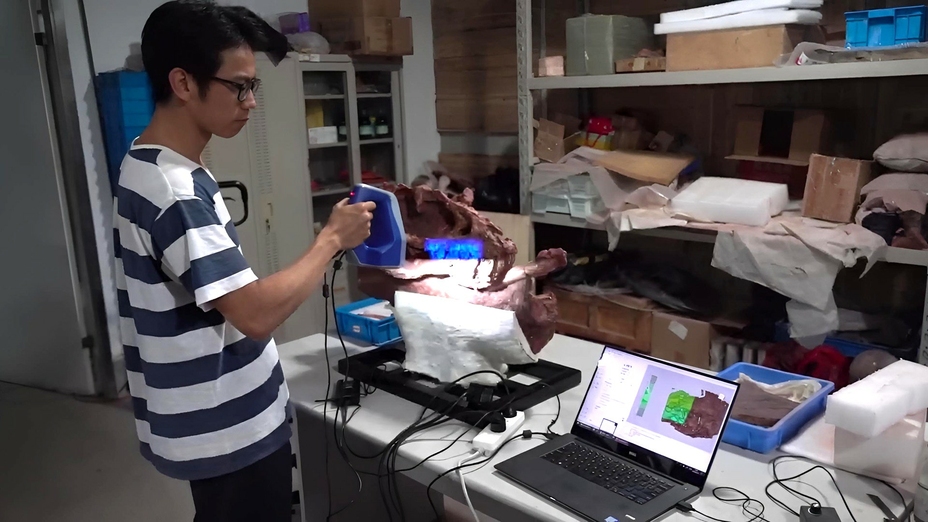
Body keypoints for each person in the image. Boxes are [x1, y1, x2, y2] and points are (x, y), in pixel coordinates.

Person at [113, 1, 375, 520]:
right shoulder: (175, 191)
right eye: (238, 86)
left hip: (210, 415)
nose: (250, 102)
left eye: (253, 86)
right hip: (225, 426)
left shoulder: (145, 159)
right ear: (183, 83)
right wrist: (330, 240)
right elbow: (254, 314)